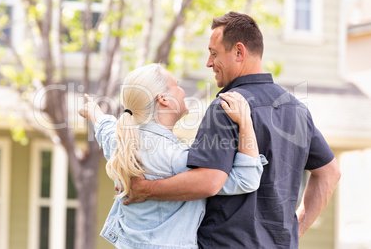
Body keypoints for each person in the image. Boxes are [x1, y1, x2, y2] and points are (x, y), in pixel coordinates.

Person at [123, 12, 341, 248]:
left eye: (214, 53)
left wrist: (145, 189)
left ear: (239, 52)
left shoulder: (225, 107)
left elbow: (208, 182)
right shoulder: (297, 110)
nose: (208, 63)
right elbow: (330, 173)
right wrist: (293, 233)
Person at [78, 63, 267, 249]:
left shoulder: (122, 144)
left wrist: (94, 112)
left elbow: (106, 129)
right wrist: (245, 121)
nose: (183, 90)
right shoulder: (176, 158)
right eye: (176, 85)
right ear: (164, 99)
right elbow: (245, 179)